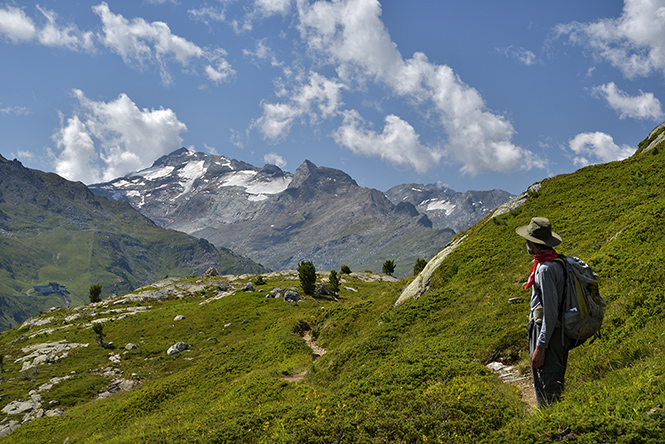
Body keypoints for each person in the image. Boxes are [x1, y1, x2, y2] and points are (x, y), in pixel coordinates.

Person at [516, 217, 570, 408]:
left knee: (547, 387)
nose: (525, 242)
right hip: (553, 333)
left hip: (546, 333)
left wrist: (541, 346)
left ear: (533, 242)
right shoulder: (552, 261)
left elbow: (550, 310)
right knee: (549, 383)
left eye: (527, 239)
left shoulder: (545, 269)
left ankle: (551, 428)